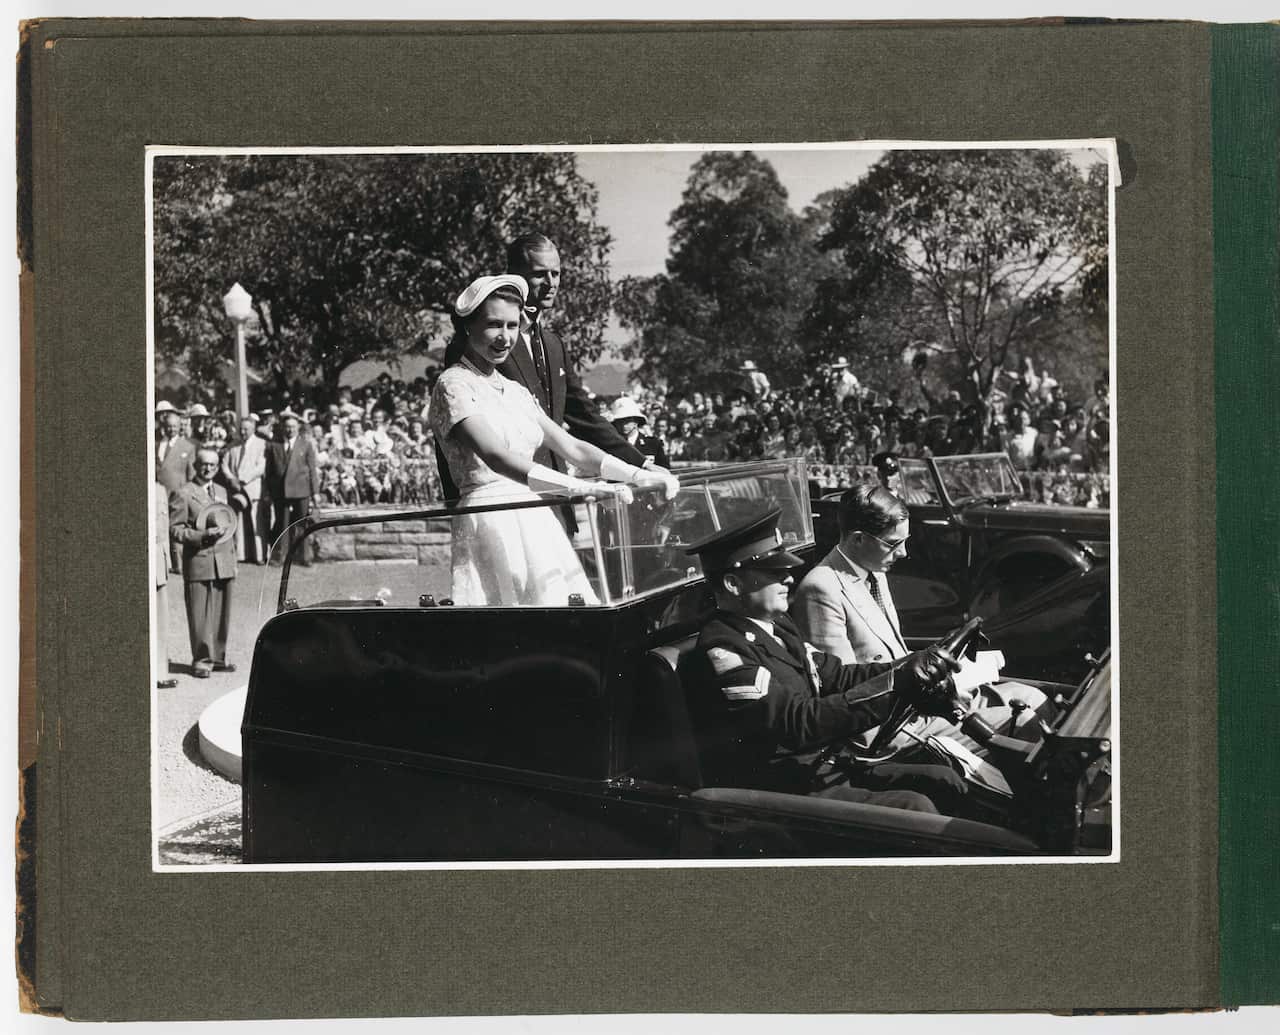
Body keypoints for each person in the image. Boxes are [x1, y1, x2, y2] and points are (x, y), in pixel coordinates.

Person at [682, 508, 966, 813]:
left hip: (824, 767)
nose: (789, 578)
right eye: (773, 573)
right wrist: (895, 685)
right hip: (783, 791)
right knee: (915, 806)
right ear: (733, 584)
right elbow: (798, 722)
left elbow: (835, 676)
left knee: (944, 780)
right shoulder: (725, 648)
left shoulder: (777, 626)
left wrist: (910, 665)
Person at [429, 275, 678, 606]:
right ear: (467, 328)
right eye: (493, 325)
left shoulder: (515, 391)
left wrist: (635, 473)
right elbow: (495, 456)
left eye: (512, 326)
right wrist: (576, 488)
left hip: (534, 517)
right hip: (490, 521)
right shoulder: (453, 385)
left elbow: (571, 446)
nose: (504, 337)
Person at [791, 485, 1047, 750]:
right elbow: (844, 690)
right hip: (888, 726)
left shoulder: (873, 569)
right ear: (858, 539)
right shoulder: (821, 588)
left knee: (1033, 697)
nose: (902, 553)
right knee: (1025, 721)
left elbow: (892, 652)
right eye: (893, 543)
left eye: (905, 540)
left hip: (919, 702)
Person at [433, 233, 647, 521]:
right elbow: (472, 445)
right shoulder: (464, 364)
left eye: (556, 273)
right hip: (498, 506)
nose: (551, 283)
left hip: (554, 499)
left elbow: (580, 423)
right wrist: (458, 506)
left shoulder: (550, 347)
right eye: (539, 274)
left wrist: (638, 468)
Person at [169, 449, 237, 679]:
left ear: (218, 467)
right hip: (199, 559)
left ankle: (218, 657)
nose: (208, 469)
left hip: (224, 559)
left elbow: (230, 523)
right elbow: (175, 529)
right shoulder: (184, 493)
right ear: (196, 466)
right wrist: (202, 535)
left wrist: (233, 557)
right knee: (199, 613)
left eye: (213, 465)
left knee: (221, 612)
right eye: (204, 464)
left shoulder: (221, 491)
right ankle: (201, 659)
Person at [264, 409, 320, 563]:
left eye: (293, 427)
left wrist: (315, 492)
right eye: (287, 427)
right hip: (281, 491)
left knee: (301, 523)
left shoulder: (306, 445)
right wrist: (268, 491)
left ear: (298, 428)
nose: (290, 430)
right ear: (283, 427)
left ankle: (304, 556)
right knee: (282, 524)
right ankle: (281, 556)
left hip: (301, 490)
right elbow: (269, 472)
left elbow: (312, 470)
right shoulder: (274, 445)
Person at [222, 415, 267, 563]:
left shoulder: (262, 444)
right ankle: (241, 554)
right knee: (239, 522)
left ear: (253, 429)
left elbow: (261, 467)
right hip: (236, 489)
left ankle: (259, 555)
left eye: (246, 429)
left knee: (256, 523)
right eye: (241, 429)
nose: (243, 432)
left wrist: (243, 479)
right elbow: (224, 464)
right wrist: (231, 478)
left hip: (252, 488)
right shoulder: (233, 445)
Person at [153, 481, 177, 689]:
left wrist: (168, 559)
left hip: (157, 559)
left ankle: (160, 673)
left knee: (160, 618)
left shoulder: (159, 489)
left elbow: (164, 527)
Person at [609, 396, 669, 468]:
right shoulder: (611, 446)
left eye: (627, 420)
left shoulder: (653, 444)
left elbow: (665, 471)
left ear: (636, 421)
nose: (623, 424)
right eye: (619, 421)